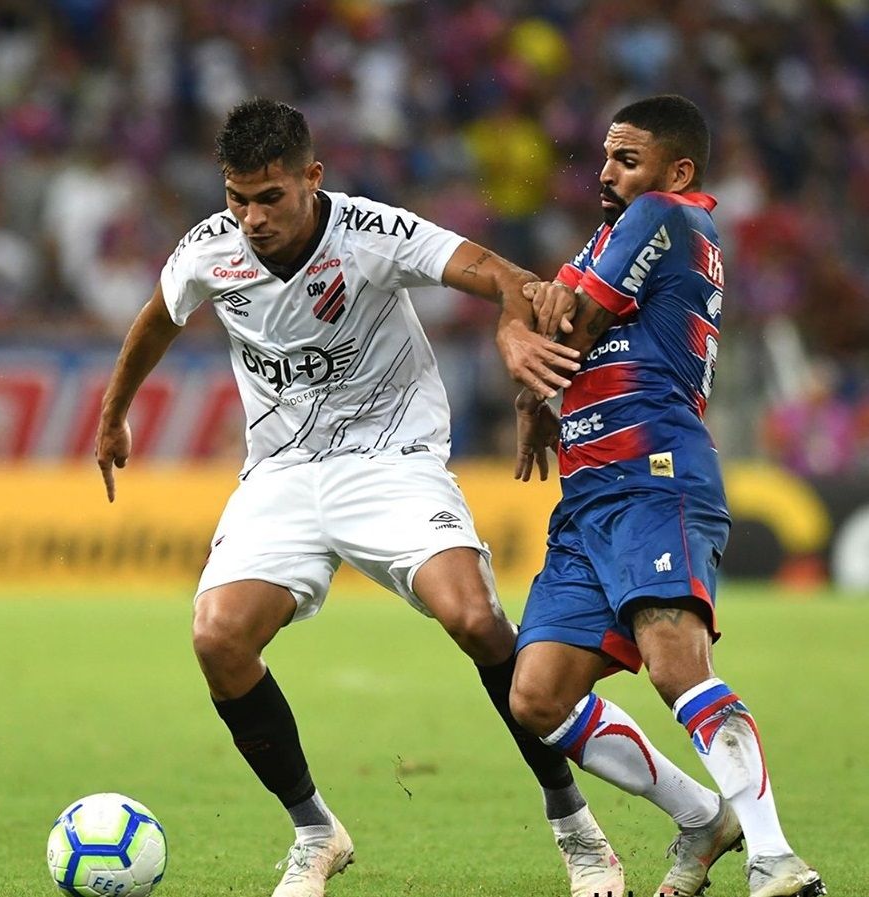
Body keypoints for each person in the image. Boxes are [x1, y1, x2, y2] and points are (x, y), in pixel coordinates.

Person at [95, 97, 635, 897]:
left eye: (269, 197)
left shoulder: (372, 234)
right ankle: (315, 830)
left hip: (390, 462)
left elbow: (496, 272)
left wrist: (512, 329)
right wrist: (113, 415)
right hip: (280, 472)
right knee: (217, 639)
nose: (250, 217)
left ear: (312, 179)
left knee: (477, 619)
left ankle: (574, 825)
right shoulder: (210, 249)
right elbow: (156, 319)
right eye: (236, 198)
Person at [508, 95, 827, 897]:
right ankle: (700, 815)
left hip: (653, 472)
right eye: (606, 158)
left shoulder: (664, 214)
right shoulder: (614, 232)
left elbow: (567, 325)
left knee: (673, 659)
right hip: (587, 493)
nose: (607, 173)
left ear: (676, 168)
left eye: (626, 158)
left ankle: (773, 855)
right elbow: (553, 325)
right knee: (538, 695)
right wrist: (536, 394)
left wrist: (540, 321)